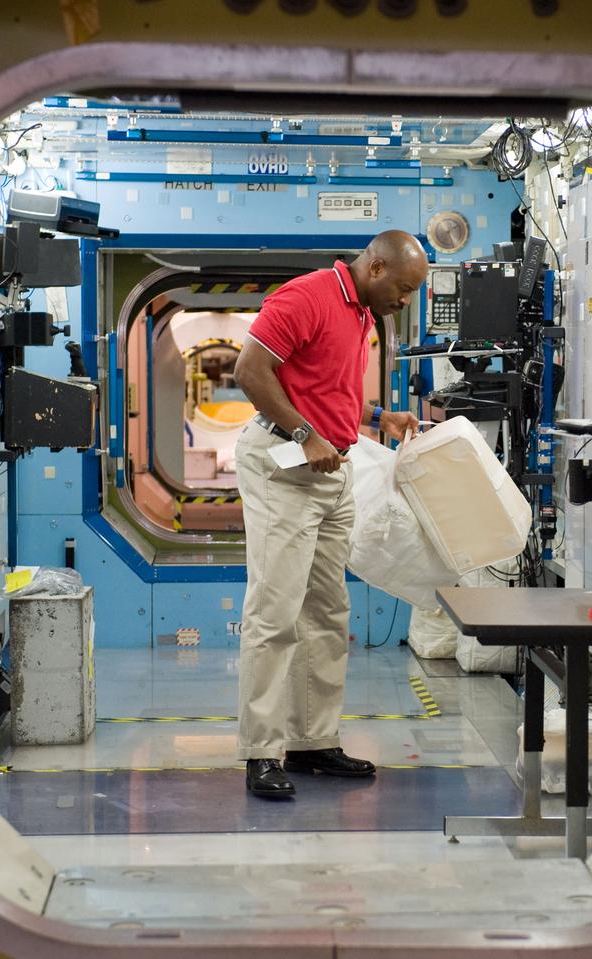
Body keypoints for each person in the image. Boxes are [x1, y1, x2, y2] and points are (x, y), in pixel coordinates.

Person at [232, 230, 428, 798]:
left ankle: (312, 741)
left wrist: (376, 415)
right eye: (405, 289)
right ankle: (262, 752)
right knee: (275, 612)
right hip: (283, 464)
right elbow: (249, 371)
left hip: (331, 470)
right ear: (376, 266)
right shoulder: (307, 297)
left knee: (326, 610)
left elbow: (320, 381)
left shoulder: (362, 312)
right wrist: (304, 433)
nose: (406, 302)